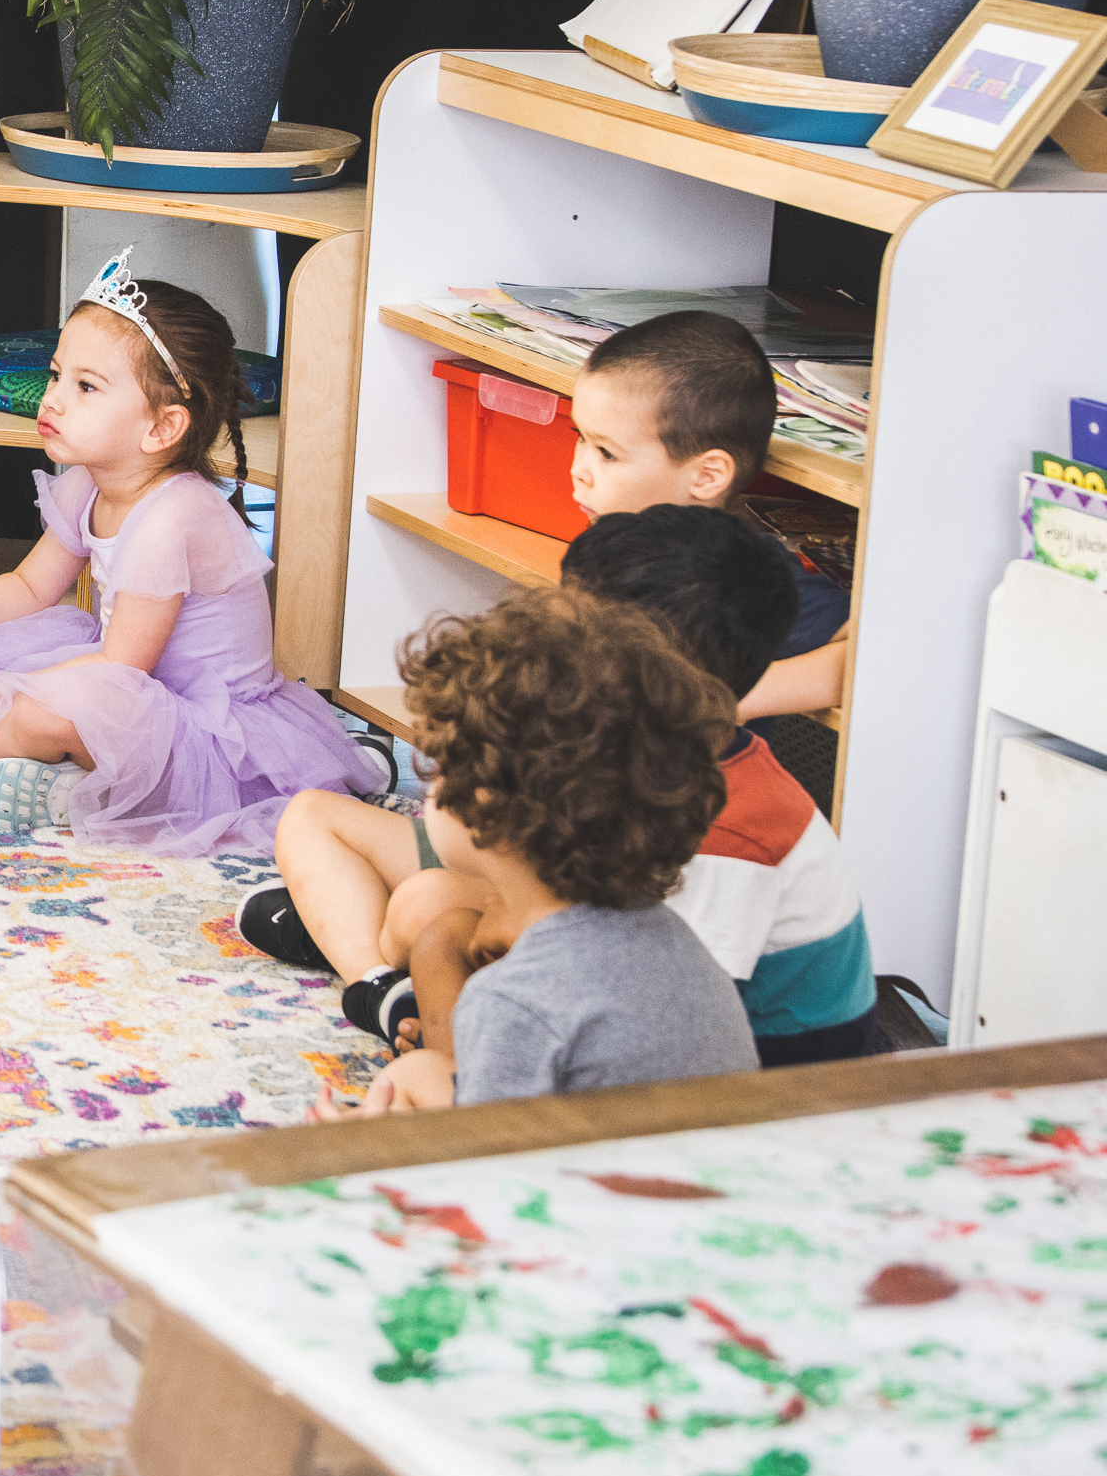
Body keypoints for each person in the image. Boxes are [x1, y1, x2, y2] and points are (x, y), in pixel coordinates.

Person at [251, 509, 882, 1065]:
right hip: (619, 964)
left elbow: (663, 1023)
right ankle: (386, 979)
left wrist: (497, 963)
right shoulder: (627, 762)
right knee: (417, 901)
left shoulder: (732, 834)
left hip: (749, 1082)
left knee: (433, 921)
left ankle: (419, 1011)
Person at [0, 251, 374, 850]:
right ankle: (59, 786)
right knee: (7, 646)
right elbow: (31, 587)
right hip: (137, 690)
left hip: (204, 736)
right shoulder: (91, 480)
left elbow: (121, 670)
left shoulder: (173, 516)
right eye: (57, 374)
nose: (52, 398)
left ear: (162, 428)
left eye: (85, 387)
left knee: (76, 696)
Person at [319, 587, 757, 1116]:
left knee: (399, 1091)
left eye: (436, 767)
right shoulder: (676, 943)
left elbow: (491, 1182)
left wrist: (360, 1150)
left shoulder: (513, 1000)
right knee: (418, 1074)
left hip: (595, 1189)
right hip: (685, 1170)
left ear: (486, 809)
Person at [566, 310, 851, 717]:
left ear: (707, 476)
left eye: (606, 452)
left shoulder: (746, 574)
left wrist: (721, 703)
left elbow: (867, 659)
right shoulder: (604, 548)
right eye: (579, 437)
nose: (578, 470)